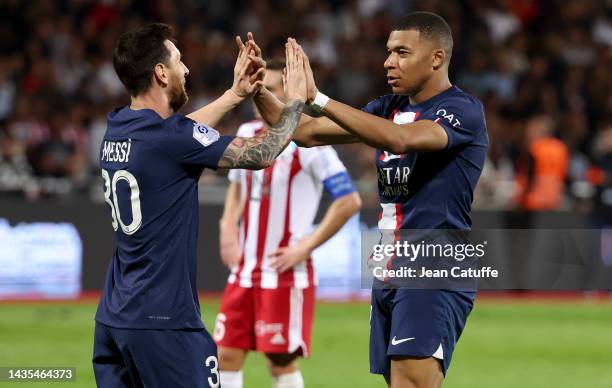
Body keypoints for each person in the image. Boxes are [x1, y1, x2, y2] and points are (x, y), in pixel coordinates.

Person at [250, 11, 488, 388]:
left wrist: (319, 97)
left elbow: (400, 140)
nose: (388, 61)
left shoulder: (462, 111)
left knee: (411, 382)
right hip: (390, 266)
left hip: (433, 266)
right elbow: (305, 132)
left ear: (437, 58)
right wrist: (256, 89)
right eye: (389, 51)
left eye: (402, 52)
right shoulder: (387, 108)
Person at [92, 23, 307, 388]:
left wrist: (235, 94)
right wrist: (297, 101)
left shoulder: (118, 127)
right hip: (165, 322)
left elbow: (180, 136)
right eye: (178, 60)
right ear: (161, 73)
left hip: (113, 319)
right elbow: (261, 153)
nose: (186, 69)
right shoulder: (168, 139)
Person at [214, 58, 362, 388]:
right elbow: (238, 188)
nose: (261, 94)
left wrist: (306, 246)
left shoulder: (309, 142)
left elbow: (349, 201)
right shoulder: (247, 133)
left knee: (279, 362)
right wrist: (227, 227)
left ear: (289, 96)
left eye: (272, 89)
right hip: (245, 269)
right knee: (225, 354)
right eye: (260, 87)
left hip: (284, 274)